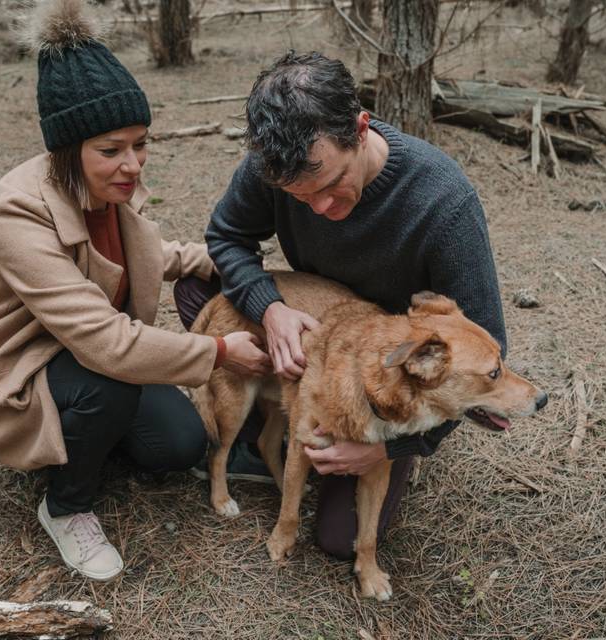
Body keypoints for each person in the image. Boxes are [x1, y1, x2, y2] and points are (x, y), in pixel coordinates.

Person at [0, 0, 269, 581]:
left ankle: (82, 433)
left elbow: (129, 259)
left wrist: (212, 260)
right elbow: (105, 342)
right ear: (67, 152)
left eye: (141, 143)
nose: (133, 164)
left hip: (89, 353)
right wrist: (217, 352)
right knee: (110, 381)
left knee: (179, 447)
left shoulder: (103, 187)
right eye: (112, 149)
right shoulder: (19, 210)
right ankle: (65, 506)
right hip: (19, 364)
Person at [176, 51, 507, 560]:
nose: (322, 210)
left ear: (360, 127)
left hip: (384, 367)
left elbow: (486, 349)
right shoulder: (277, 163)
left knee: (337, 540)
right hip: (314, 322)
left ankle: (383, 434)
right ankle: (256, 426)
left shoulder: (443, 202)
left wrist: (389, 446)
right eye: (300, 198)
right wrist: (269, 308)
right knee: (197, 293)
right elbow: (226, 236)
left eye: (331, 186)